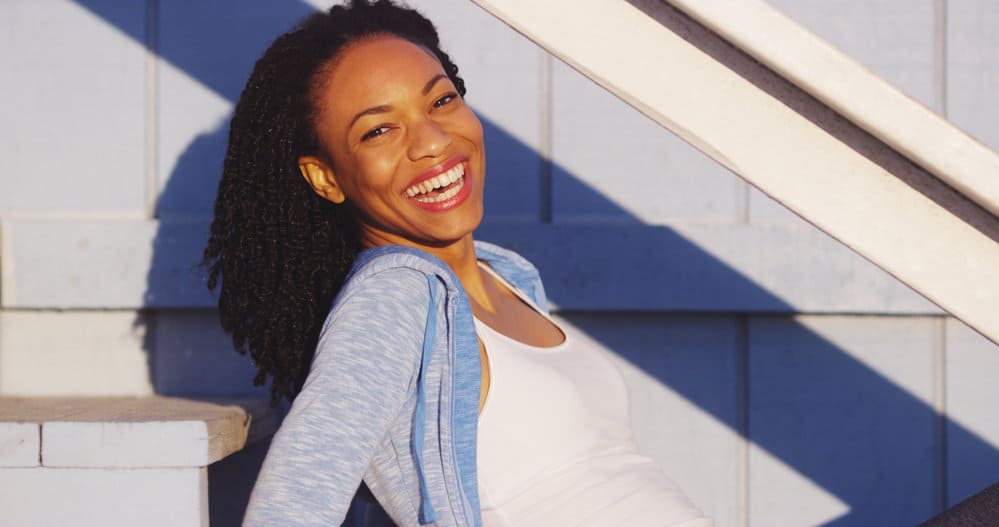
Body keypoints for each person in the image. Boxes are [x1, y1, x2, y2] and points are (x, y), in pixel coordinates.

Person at [203, 1, 712, 526]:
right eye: (379, 131)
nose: (432, 141)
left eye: (442, 100)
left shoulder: (505, 277)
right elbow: (291, 507)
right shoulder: (391, 300)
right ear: (325, 178)